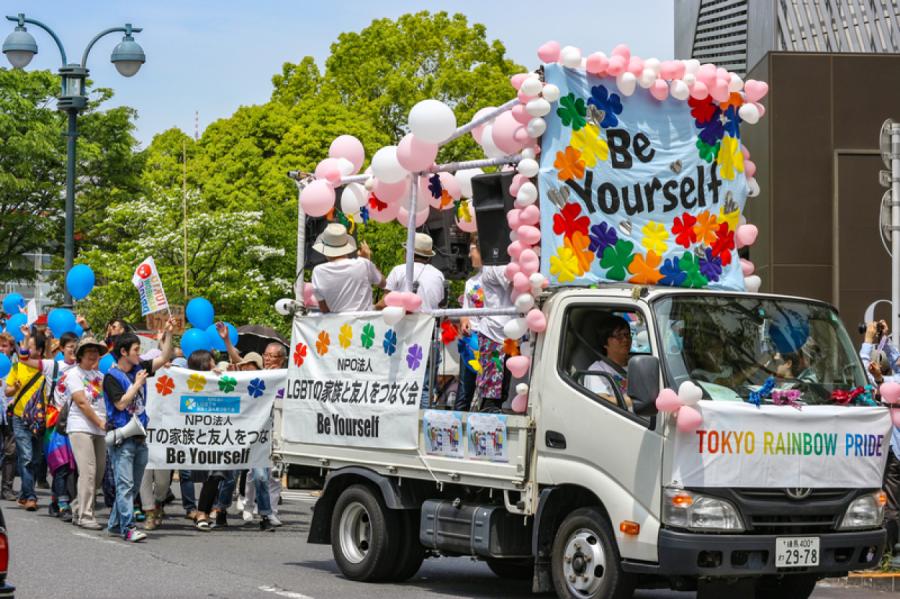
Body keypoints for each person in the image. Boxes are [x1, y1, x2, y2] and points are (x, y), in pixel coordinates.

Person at [104, 319, 175, 542]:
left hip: (140, 436)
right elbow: (120, 404)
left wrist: (169, 335)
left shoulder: (139, 368)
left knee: (132, 486)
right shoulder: (111, 377)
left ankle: (115, 524)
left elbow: (164, 358)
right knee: (125, 485)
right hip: (122, 436)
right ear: (123, 352)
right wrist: (136, 384)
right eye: (136, 350)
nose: (139, 354)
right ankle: (127, 527)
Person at [16, 329, 79, 520]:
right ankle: (62, 503)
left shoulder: (83, 368)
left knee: (74, 467)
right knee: (60, 464)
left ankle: (57, 500)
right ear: (61, 348)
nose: (74, 350)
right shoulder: (53, 366)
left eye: (77, 347)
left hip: (78, 421)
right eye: (70, 347)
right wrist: (27, 339)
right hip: (55, 422)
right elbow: (24, 359)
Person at [64, 336, 109, 530]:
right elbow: (81, 402)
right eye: (89, 351)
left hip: (100, 429)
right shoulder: (73, 374)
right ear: (80, 355)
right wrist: (99, 422)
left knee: (99, 472)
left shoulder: (101, 376)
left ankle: (77, 506)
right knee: (88, 471)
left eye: (96, 351)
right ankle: (85, 515)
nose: (93, 354)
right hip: (80, 426)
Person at [6, 328, 51, 511]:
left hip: (40, 419)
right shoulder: (17, 366)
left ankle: (25, 494)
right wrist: (14, 388)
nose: (25, 348)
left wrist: (47, 339)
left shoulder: (46, 367)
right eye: (25, 345)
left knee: (36, 459)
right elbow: (7, 390)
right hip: (19, 417)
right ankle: (31, 497)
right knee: (26, 457)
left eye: (30, 346)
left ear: (39, 351)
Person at [311, 223, 384, 313]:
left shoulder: (318, 271)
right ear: (346, 245)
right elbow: (384, 283)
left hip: (338, 325)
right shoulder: (363, 263)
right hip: (365, 324)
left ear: (325, 248)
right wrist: (367, 261)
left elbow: (324, 309)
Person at [474, 263, 514, 413]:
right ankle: (487, 416)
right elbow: (514, 282)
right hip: (493, 333)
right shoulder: (494, 266)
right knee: (492, 383)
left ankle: (493, 409)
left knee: (504, 383)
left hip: (510, 332)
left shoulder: (504, 265)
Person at [378, 233, 446, 312]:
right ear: (429, 257)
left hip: (405, 323)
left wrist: (373, 308)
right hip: (430, 322)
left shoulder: (398, 270)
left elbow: (384, 303)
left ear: (408, 253)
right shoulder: (439, 274)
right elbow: (441, 304)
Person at [456, 239, 484, 411]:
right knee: (465, 389)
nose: (469, 254)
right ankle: (457, 426)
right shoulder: (471, 282)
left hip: (493, 340)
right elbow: (464, 311)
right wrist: (464, 321)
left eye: (472, 249)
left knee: (490, 391)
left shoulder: (500, 278)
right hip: (471, 340)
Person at [584, 315, 632, 401]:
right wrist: (638, 401)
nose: (625, 340)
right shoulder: (597, 369)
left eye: (627, 334)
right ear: (605, 343)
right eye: (619, 336)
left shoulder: (637, 365)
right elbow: (602, 401)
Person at [0, 333, 16, 501]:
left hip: (11, 413)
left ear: (11, 348)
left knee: (11, 451)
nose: (1, 349)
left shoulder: (17, 366)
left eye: (4, 346)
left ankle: (7, 488)